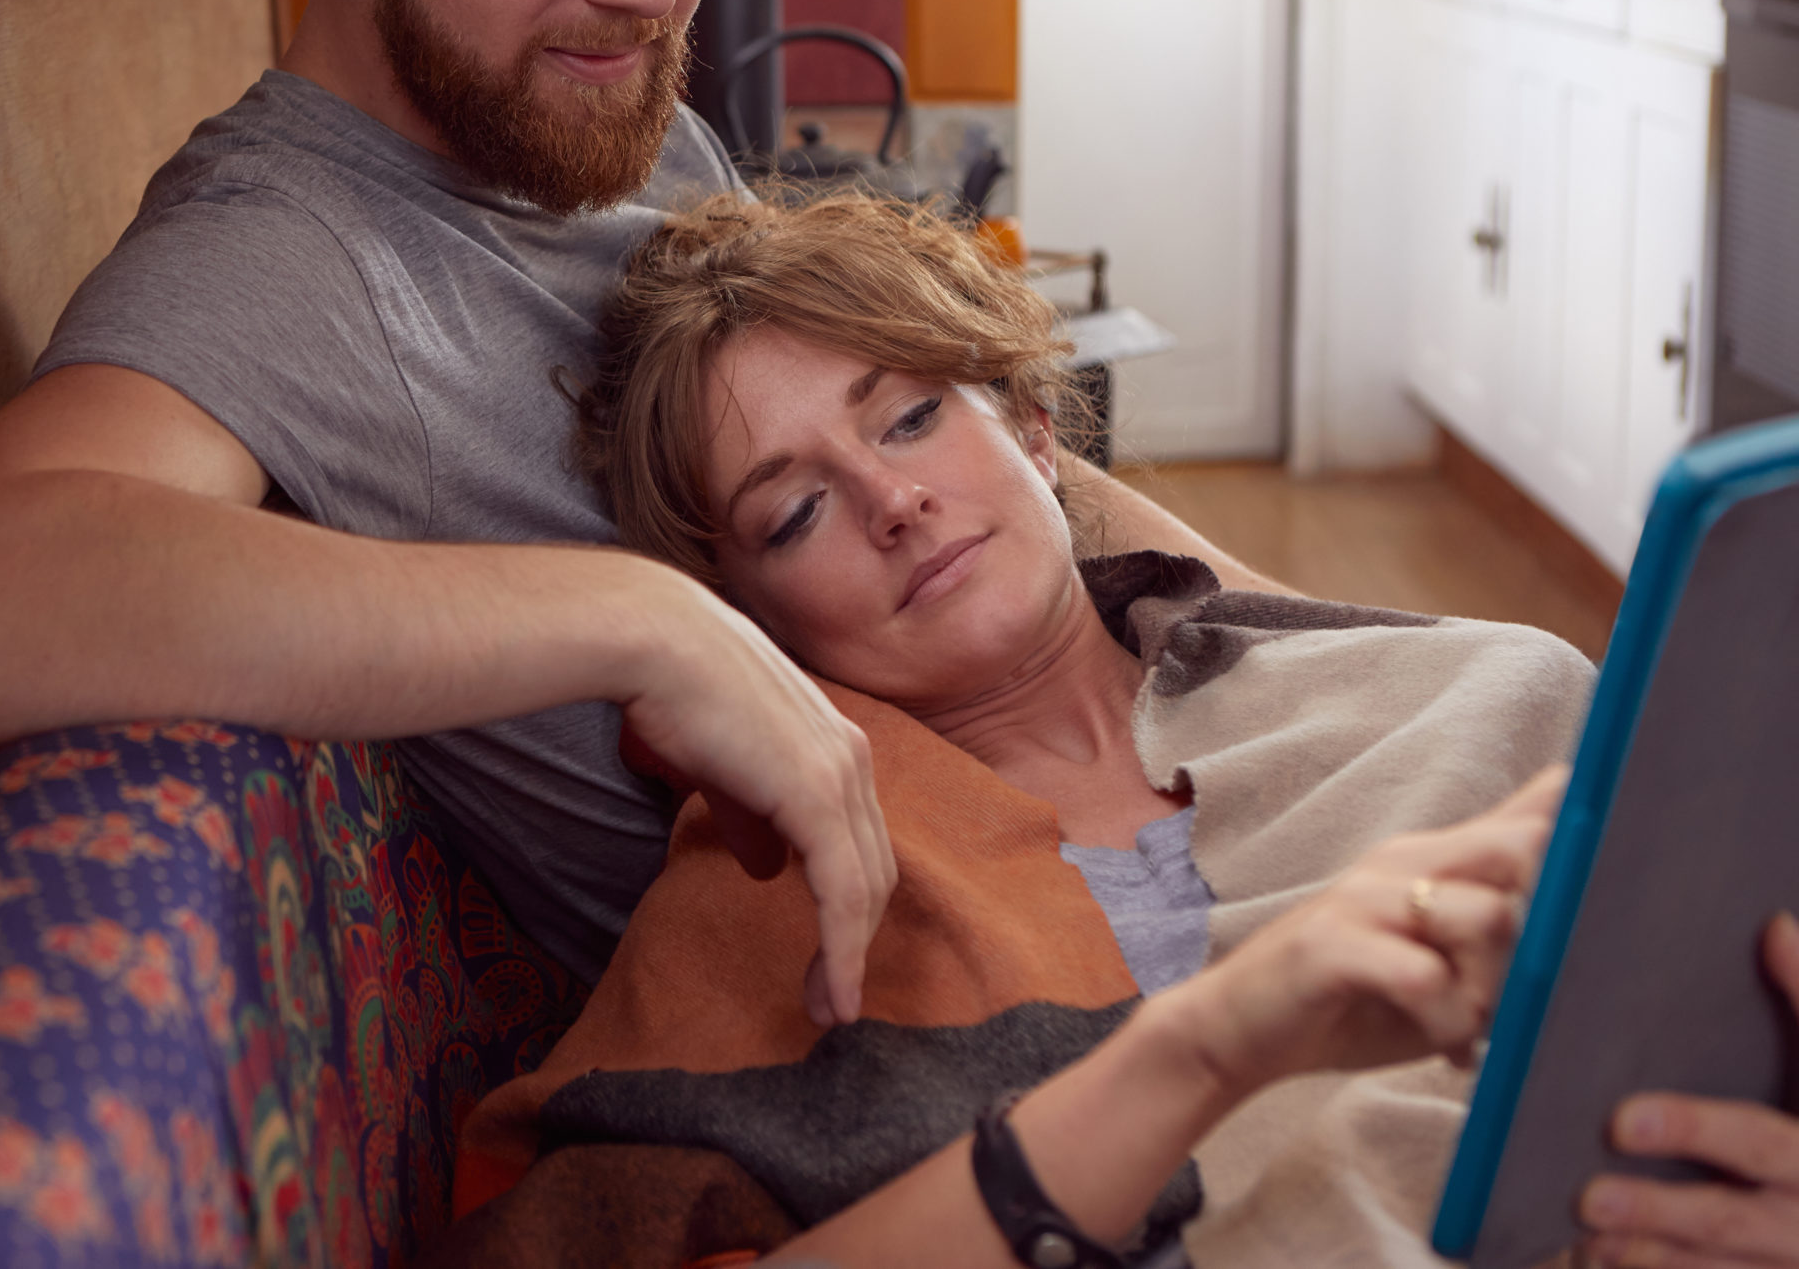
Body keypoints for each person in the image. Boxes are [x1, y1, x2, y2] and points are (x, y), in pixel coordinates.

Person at [0, 0, 1276, 1027]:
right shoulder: (290, 259)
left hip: (1159, 831)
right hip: (953, 1027)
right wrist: (643, 623)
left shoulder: (613, 117)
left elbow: (1004, 476)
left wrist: (1328, 661)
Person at [493, 186, 1799, 1268]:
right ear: (748, 619)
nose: (891, 497)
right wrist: (1213, 1043)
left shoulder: (1486, 693)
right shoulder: (774, 910)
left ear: (1037, 429)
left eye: (911, 414)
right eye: (794, 514)